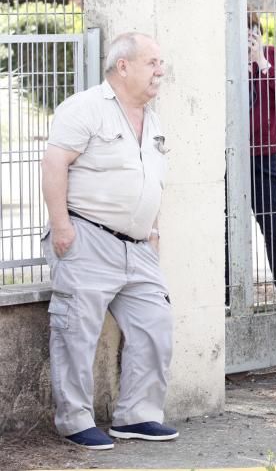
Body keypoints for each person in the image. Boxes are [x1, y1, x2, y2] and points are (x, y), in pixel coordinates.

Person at [40, 32, 178, 449]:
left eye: (160, 62)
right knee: (76, 330)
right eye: (152, 62)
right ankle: (74, 419)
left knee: (156, 325)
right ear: (123, 66)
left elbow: (150, 179)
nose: (161, 70)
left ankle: (137, 416)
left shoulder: (151, 117)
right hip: (88, 237)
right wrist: (61, 226)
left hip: (137, 247)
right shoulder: (84, 108)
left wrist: (152, 230)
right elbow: (54, 164)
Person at [225, 14, 276, 301]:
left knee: (272, 223)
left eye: (253, 32)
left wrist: (262, 63)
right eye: (243, 33)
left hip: (263, 153)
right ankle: (228, 297)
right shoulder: (224, 58)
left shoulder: (274, 56)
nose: (248, 38)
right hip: (229, 154)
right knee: (228, 225)